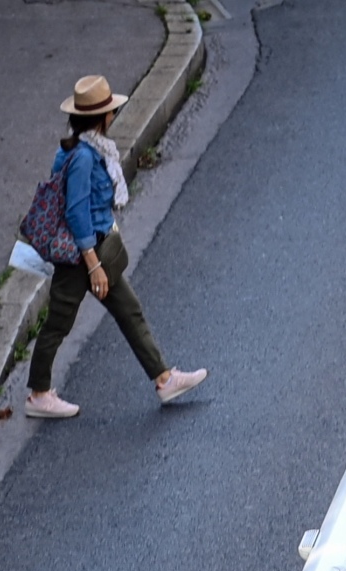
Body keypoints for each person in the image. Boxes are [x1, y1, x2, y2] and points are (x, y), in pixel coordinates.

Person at [21, 76, 206, 419]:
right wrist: (92, 264)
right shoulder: (84, 159)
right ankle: (39, 395)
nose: (115, 114)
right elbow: (76, 213)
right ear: (103, 117)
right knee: (59, 322)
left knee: (129, 310)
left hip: (96, 251)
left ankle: (164, 378)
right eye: (112, 110)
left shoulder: (86, 149)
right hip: (82, 257)